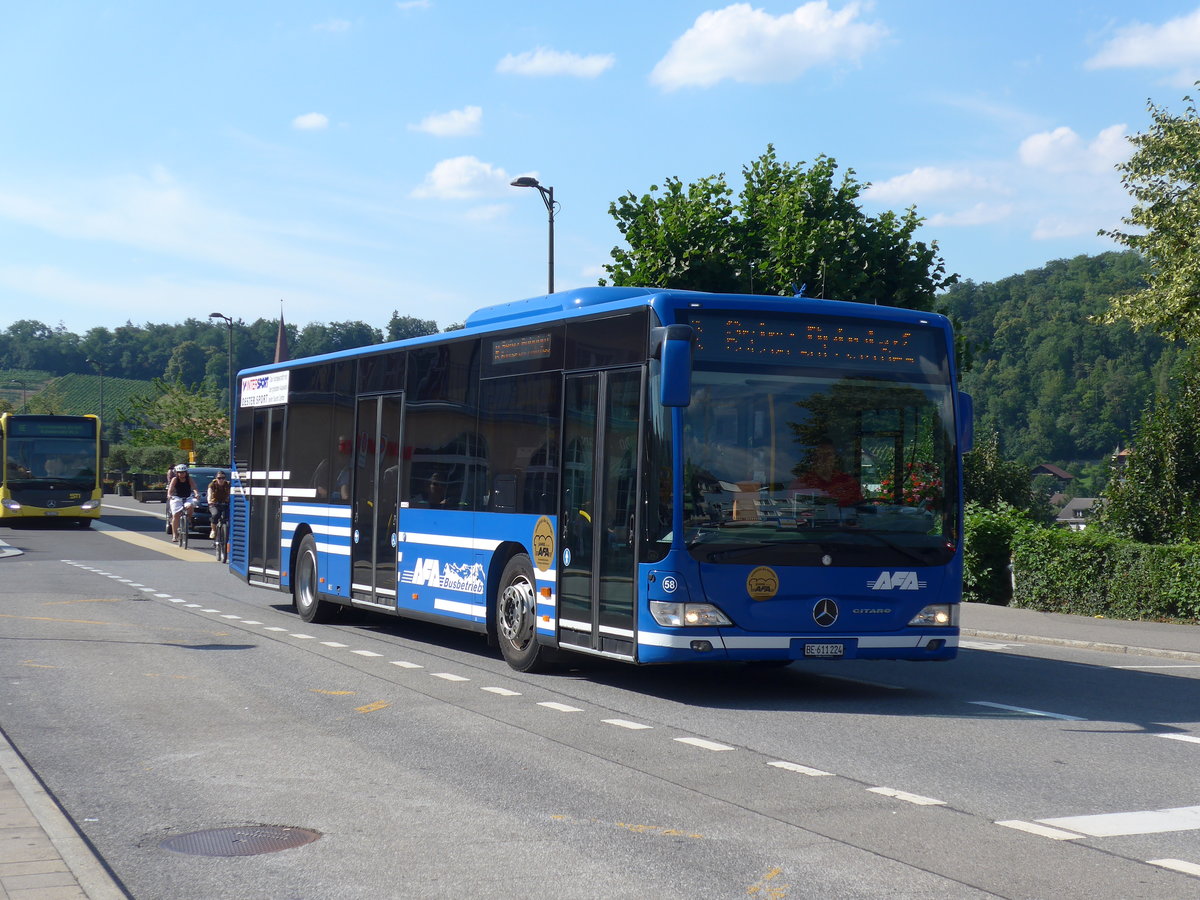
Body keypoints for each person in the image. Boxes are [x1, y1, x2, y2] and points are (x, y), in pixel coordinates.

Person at [793, 440, 863, 507]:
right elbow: (789, 510)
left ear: (835, 458)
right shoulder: (800, 484)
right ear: (814, 458)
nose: (824, 458)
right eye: (821, 455)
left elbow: (860, 509)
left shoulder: (848, 482)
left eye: (829, 454)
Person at [167, 464, 199, 543]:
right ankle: (175, 535)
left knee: (191, 506)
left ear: (186, 473)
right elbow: (170, 488)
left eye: (183, 472)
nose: (181, 474)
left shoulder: (189, 479)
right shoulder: (175, 479)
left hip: (187, 497)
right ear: (177, 473)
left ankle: (188, 520)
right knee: (176, 515)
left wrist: (196, 493)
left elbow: (194, 487)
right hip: (176, 498)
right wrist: (169, 495)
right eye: (180, 472)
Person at [207, 470, 231, 540]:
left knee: (228, 516)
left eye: (223, 478)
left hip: (224, 503)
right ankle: (213, 530)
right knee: (215, 514)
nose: (221, 480)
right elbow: (209, 494)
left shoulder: (228, 484)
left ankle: (226, 533)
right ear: (216, 478)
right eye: (219, 478)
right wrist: (209, 501)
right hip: (214, 504)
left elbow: (231, 494)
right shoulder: (212, 485)